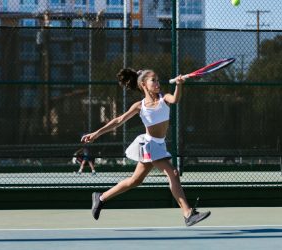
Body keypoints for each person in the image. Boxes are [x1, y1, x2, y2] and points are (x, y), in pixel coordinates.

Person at [81, 68, 210, 227]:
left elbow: (175, 99)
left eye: (157, 80)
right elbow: (118, 120)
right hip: (149, 145)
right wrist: (96, 133)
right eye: (153, 80)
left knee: (135, 181)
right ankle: (188, 213)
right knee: (173, 173)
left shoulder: (164, 98)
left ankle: (100, 197)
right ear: (144, 84)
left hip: (158, 145)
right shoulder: (139, 106)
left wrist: (178, 84)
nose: (157, 83)